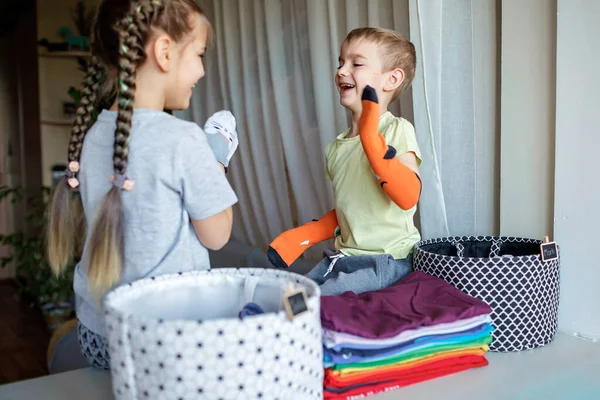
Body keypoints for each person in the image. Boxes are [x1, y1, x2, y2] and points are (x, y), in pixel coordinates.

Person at [45, 0, 238, 370]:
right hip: (164, 337)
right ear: (164, 52)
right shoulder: (183, 139)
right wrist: (217, 158)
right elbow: (217, 235)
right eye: (198, 54)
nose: (200, 70)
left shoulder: (92, 137)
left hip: (97, 333)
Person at [268, 27, 422, 296]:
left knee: (315, 305)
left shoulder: (397, 129)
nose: (341, 71)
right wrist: (303, 236)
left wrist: (372, 143)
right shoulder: (336, 148)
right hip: (343, 258)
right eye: (341, 62)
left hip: (386, 261)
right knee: (289, 298)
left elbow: (409, 195)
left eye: (356, 63)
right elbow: (349, 211)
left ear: (392, 79)